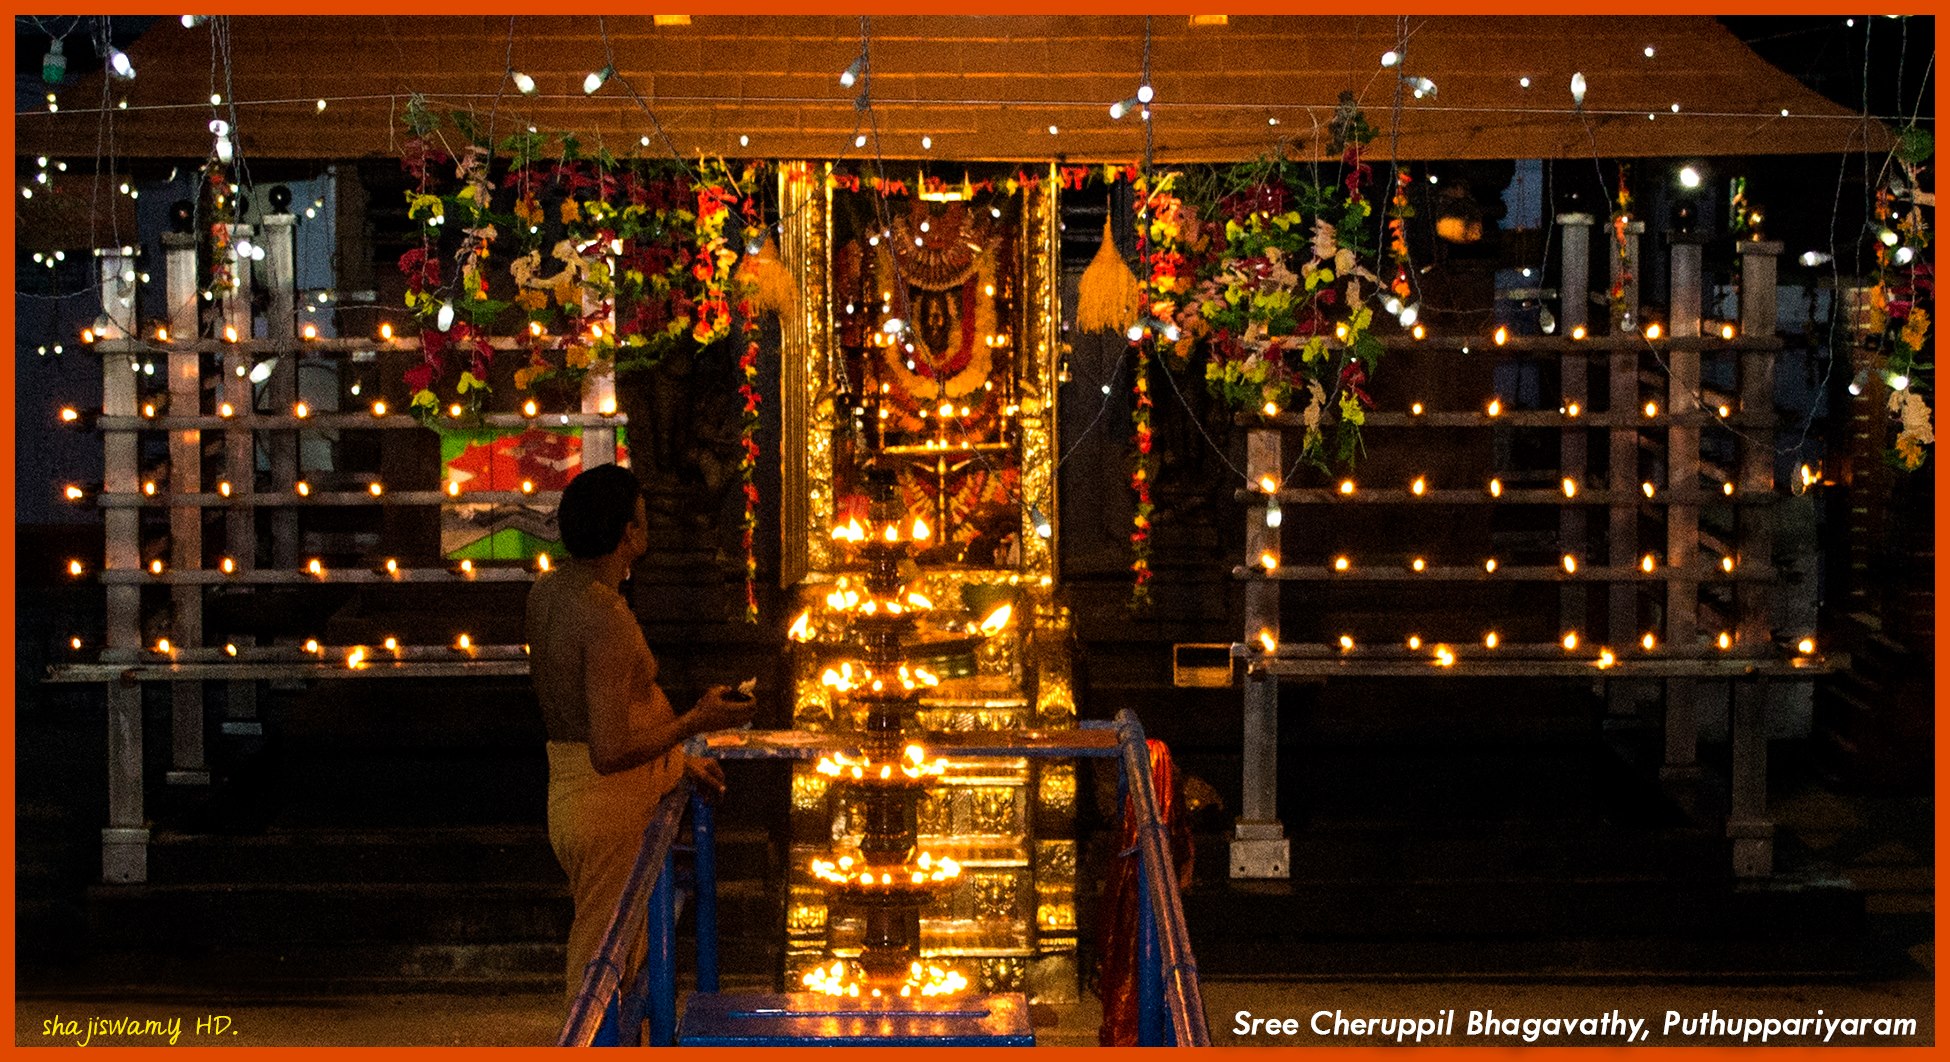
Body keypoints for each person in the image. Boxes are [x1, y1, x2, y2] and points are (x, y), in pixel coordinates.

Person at [527, 462, 753, 1004]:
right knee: (600, 972)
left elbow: (610, 720)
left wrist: (680, 763)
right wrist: (694, 723)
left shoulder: (549, 590)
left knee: (622, 960)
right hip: (606, 806)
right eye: (643, 521)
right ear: (629, 533)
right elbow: (609, 749)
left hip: (575, 795)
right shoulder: (603, 614)